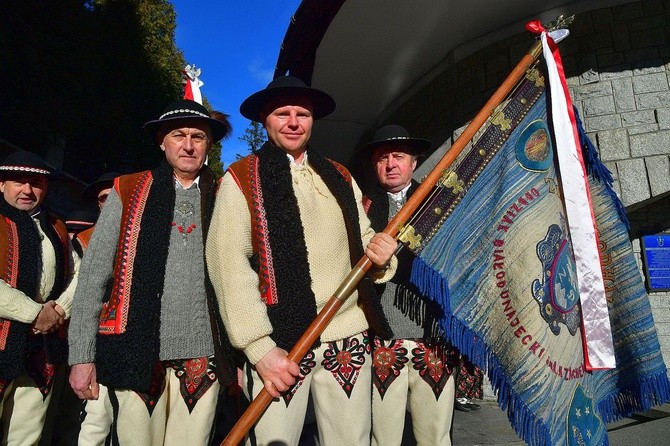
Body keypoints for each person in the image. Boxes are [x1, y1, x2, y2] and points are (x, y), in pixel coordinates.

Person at [206, 75, 398, 445]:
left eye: (302, 114)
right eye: (283, 113)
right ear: (265, 120)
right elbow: (227, 267)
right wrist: (259, 349)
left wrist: (381, 254)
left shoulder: (339, 176)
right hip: (280, 345)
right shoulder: (242, 180)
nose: (294, 122)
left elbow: (364, 239)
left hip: (347, 337)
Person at [67, 99, 238, 445]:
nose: (188, 145)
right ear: (162, 141)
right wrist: (81, 357)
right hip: (137, 348)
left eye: (198, 137)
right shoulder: (127, 191)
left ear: (209, 144)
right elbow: (93, 279)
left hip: (203, 352)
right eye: (178, 135)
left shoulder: (225, 196)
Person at [362, 125, 459, 446]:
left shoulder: (438, 203)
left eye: (398, 157)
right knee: (384, 436)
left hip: (433, 336)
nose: (390, 164)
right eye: (382, 158)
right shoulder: (360, 208)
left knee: (435, 435)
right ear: (374, 165)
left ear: (414, 163)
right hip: (381, 338)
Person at [0, 151, 79, 444]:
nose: (27, 190)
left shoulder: (57, 227)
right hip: (4, 337)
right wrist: (35, 313)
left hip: (42, 347)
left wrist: (59, 308)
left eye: (36, 183)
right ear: (1, 184)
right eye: (19, 182)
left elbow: (78, 275)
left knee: (27, 433)